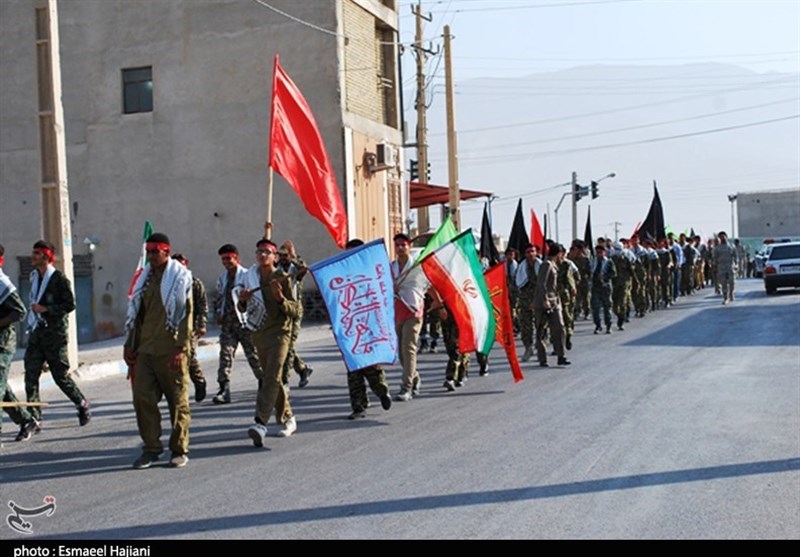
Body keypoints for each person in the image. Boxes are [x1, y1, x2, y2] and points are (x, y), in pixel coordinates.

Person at [124, 233, 193, 469]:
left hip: (171, 348)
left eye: (155, 252)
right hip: (145, 349)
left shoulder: (180, 278)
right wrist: (129, 344)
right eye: (149, 252)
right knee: (142, 398)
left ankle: (179, 449)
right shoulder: (144, 279)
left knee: (177, 402)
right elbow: (136, 315)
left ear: (166, 251)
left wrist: (181, 348)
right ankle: (151, 448)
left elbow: (186, 315)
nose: (151, 256)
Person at [238, 238, 299, 447]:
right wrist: (243, 300)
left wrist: (280, 298)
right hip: (259, 334)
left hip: (280, 334)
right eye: (259, 251)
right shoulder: (250, 277)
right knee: (272, 379)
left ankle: (260, 423)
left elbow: (296, 310)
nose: (262, 255)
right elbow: (242, 309)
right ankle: (288, 417)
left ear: (275, 257)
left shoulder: (282, 277)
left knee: (271, 377)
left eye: (266, 252)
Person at [24, 240, 90, 430]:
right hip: (37, 332)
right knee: (30, 375)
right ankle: (35, 418)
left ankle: (81, 403)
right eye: (33, 252)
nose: (33, 256)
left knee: (60, 376)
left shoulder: (58, 279)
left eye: (37, 253)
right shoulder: (34, 277)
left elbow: (70, 304)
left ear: (46, 257)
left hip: (55, 335)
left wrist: (46, 309)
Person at [341, 239, 393, 419]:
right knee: (353, 367)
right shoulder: (341, 275)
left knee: (371, 364)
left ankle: (382, 391)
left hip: (370, 326)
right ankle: (359, 406)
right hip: (350, 327)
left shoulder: (370, 273)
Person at [212, 244, 263, 405]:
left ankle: (264, 384)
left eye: (228, 258)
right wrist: (219, 313)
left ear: (236, 258)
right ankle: (224, 389)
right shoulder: (223, 278)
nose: (226, 262)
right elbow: (220, 297)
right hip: (228, 324)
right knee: (225, 356)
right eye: (223, 259)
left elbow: (256, 298)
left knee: (253, 355)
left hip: (245, 323)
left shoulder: (247, 276)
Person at [0, 245, 39, 445]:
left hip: (3, 344)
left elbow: (20, 311)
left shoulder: (2, 283)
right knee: (2, 388)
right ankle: (26, 420)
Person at [391, 233, 428, 402]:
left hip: (413, 310)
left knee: (409, 348)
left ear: (409, 246)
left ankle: (406, 387)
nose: (400, 248)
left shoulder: (417, 266)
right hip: (397, 311)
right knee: (401, 353)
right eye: (397, 245)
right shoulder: (391, 267)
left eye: (403, 245)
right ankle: (415, 377)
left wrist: (439, 304)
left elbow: (427, 285)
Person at [276, 242, 313, 389]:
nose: (283, 258)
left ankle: (285, 381)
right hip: (280, 310)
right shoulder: (276, 268)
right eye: (281, 255)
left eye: (285, 255)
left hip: (295, 310)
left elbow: (305, 269)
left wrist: (294, 255)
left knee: (289, 346)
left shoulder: (295, 269)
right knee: (283, 345)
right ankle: (302, 369)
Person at [171, 254, 208, 403]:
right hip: (173, 326)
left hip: (190, 326)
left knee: (189, 355)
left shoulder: (194, 283)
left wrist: (201, 324)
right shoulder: (168, 283)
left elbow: (202, 305)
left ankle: (199, 382)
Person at [533, 243, 570, 367]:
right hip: (544, 302)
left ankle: (561, 355)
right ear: (558, 253)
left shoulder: (555, 265)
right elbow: (541, 283)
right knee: (541, 331)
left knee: (559, 327)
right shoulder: (547, 264)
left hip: (554, 300)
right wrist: (545, 300)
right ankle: (542, 359)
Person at [516, 244, 541, 362]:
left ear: (536, 252)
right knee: (525, 327)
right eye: (528, 252)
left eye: (532, 251)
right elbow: (518, 284)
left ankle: (541, 349)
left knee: (541, 326)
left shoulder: (541, 266)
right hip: (525, 301)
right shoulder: (521, 268)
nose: (530, 254)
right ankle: (528, 348)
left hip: (539, 300)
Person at [589, 243, 616, 334]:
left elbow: (613, 273)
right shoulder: (593, 261)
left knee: (607, 307)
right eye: (597, 252)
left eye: (601, 252)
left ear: (604, 252)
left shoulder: (608, 262)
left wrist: (605, 276)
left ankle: (608, 325)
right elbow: (590, 271)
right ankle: (598, 325)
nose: (599, 254)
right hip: (595, 287)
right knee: (595, 308)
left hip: (605, 287)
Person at [714, 231, 738, 305]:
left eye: (723, 237)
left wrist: (736, 265)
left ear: (726, 237)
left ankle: (731, 293)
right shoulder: (717, 248)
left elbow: (735, 256)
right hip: (721, 267)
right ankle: (725, 297)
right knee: (723, 282)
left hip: (730, 266)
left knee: (732, 282)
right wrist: (715, 266)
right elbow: (714, 258)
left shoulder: (731, 246)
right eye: (720, 237)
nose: (722, 238)